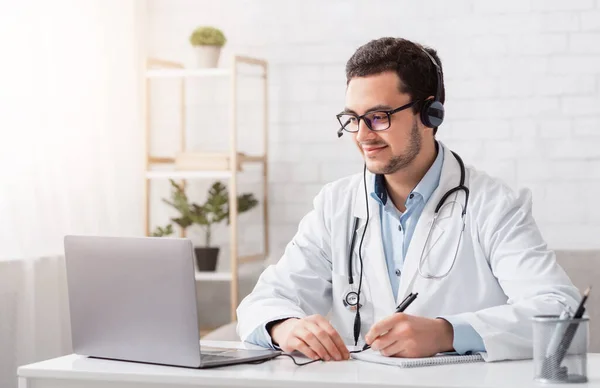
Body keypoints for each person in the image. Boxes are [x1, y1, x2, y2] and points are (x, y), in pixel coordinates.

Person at [236, 37, 579, 362]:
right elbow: (263, 301)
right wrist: (284, 327)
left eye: (378, 117)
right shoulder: (335, 205)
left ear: (431, 114)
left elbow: (563, 314)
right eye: (353, 119)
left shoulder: (494, 205)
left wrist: (447, 333)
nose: (362, 135)